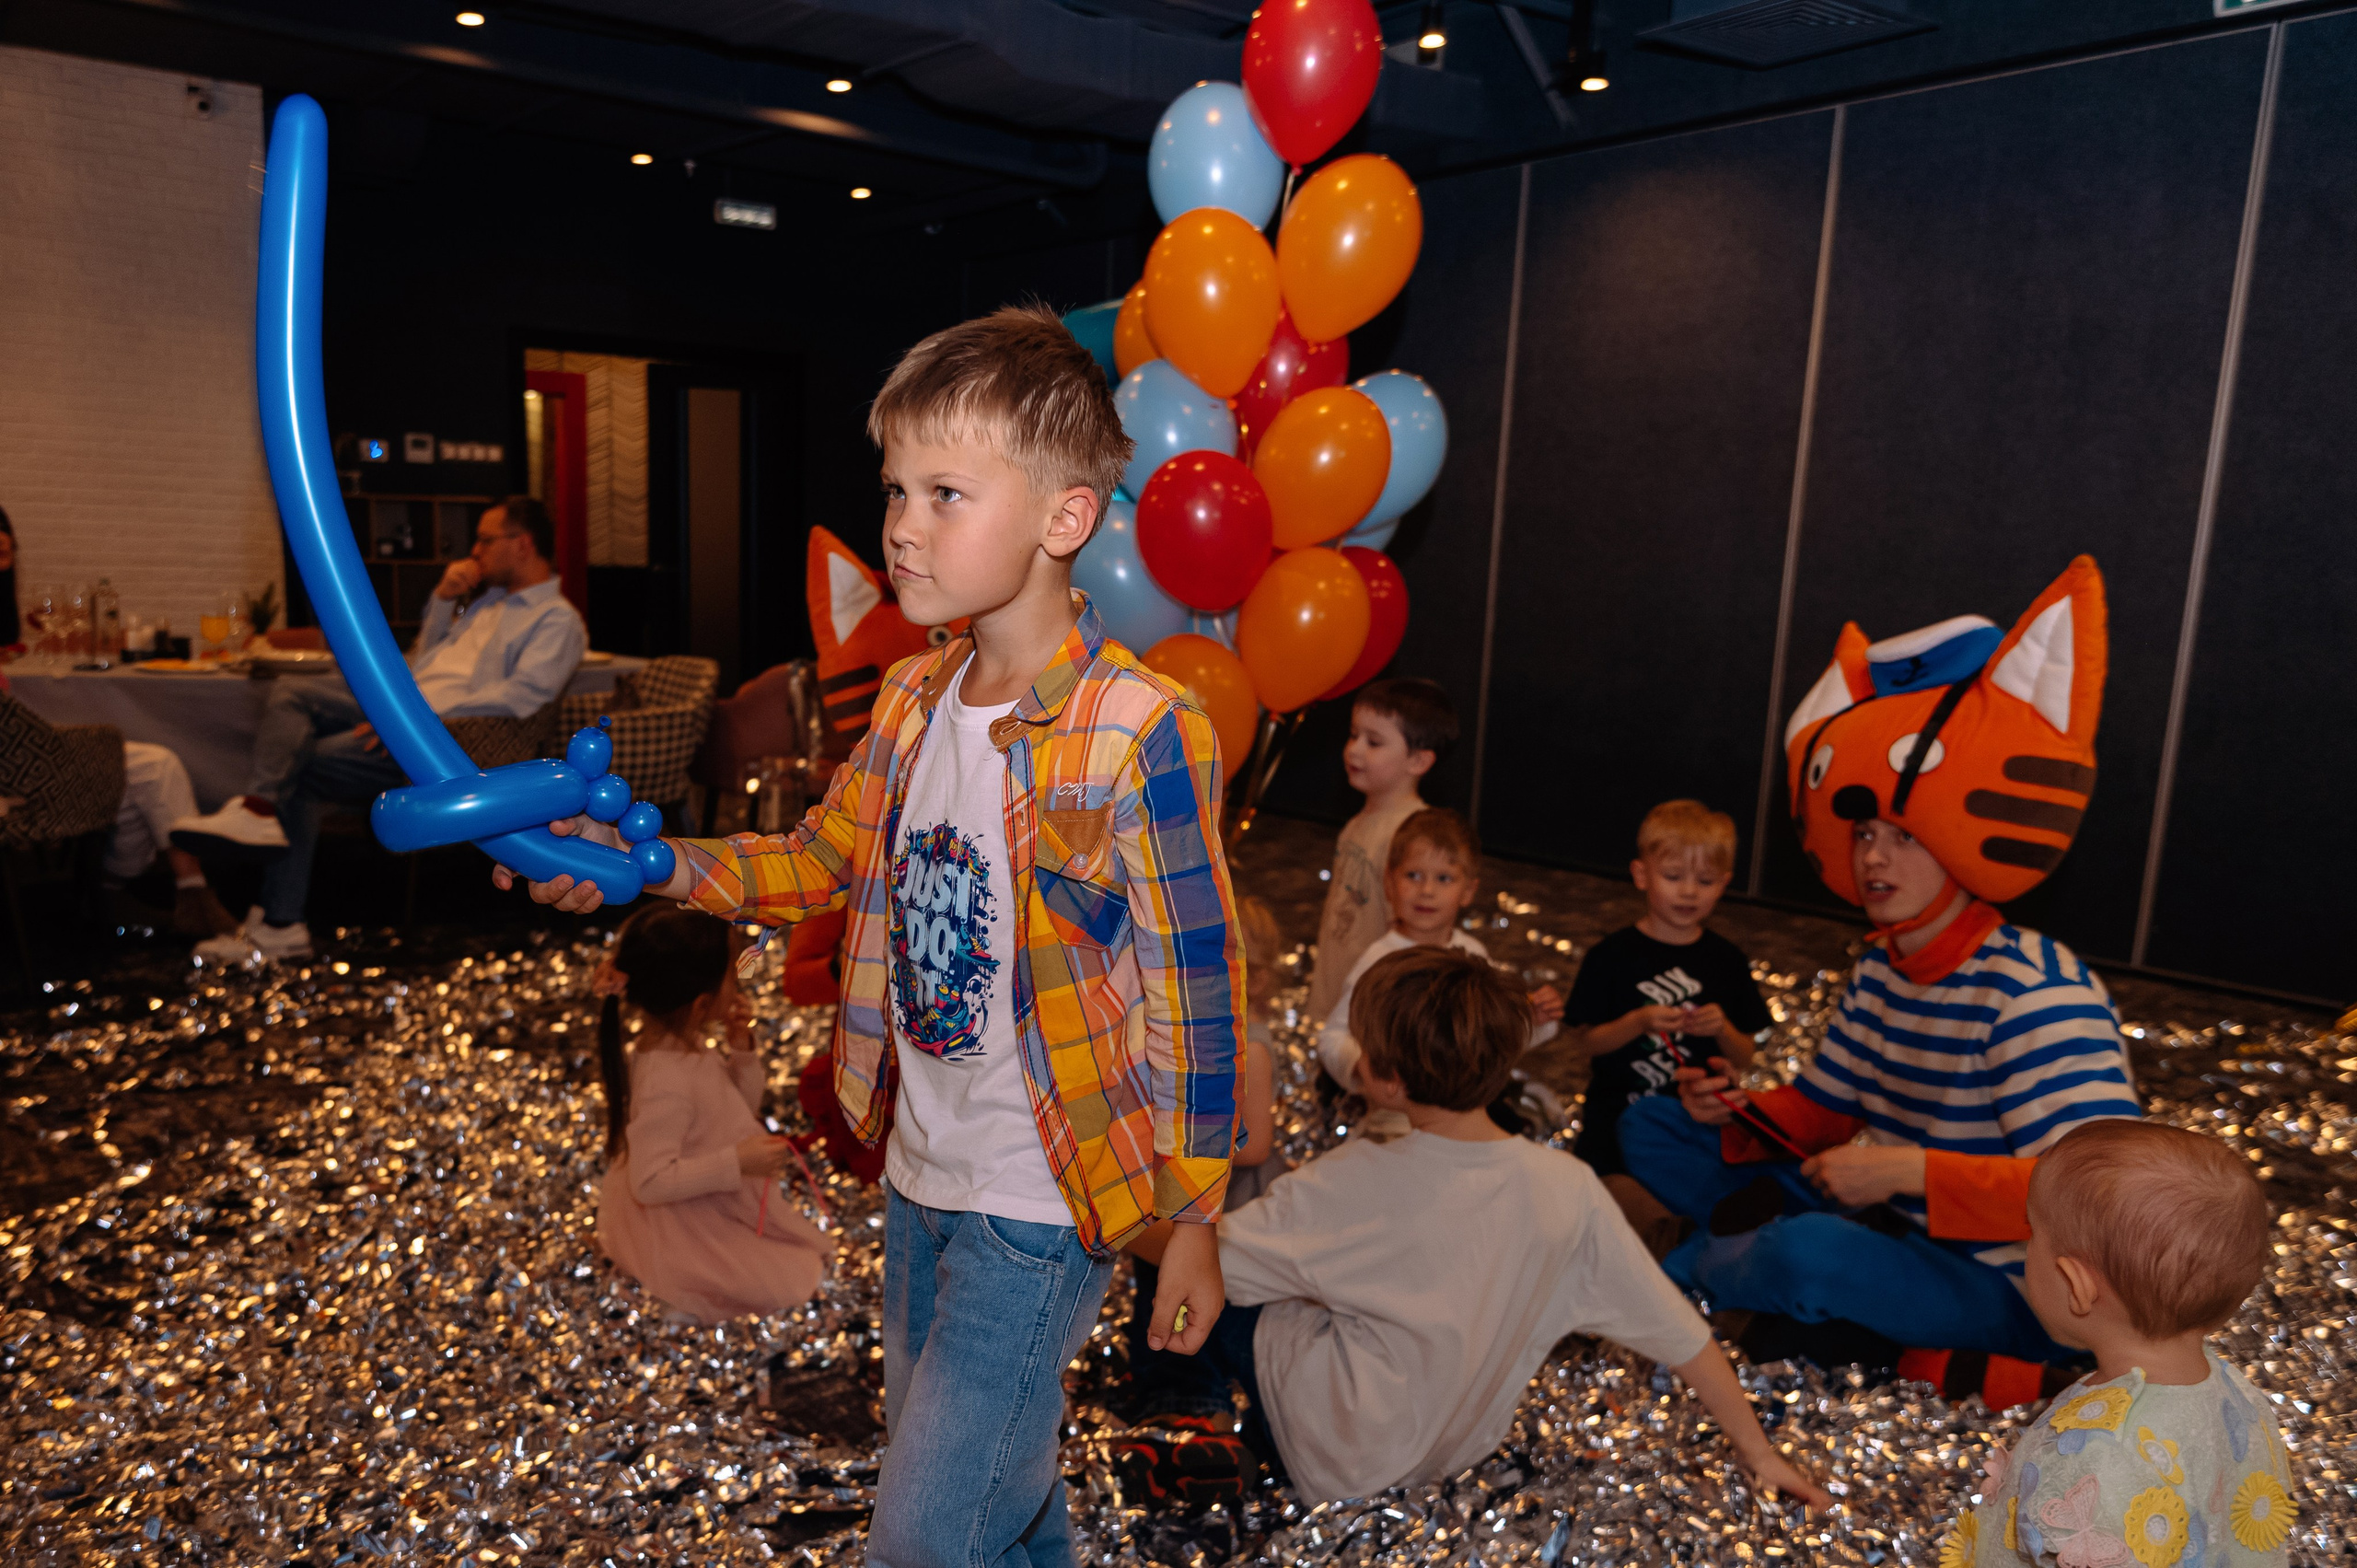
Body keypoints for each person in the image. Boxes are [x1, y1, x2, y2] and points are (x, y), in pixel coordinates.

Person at [501, 305, 1242, 1568]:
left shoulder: (1138, 728)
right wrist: (648, 864)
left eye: (947, 491)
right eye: (896, 486)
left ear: (1065, 518)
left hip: (1047, 1195)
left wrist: (1198, 1221)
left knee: (921, 1531)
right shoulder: (910, 698)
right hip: (919, 1171)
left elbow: (1195, 993)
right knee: (999, 1490)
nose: (901, 522)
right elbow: (816, 860)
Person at [1621, 558, 2139, 1404]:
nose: (1873, 856)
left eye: (1902, 834)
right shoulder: (1883, 964)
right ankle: (1757, 1250)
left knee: (1808, 1255)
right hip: (1887, 1219)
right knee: (1655, 1125)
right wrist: (1737, 1108)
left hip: (2013, 1289)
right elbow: (1824, 1111)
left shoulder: (2036, 992)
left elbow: (2096, 1198)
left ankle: (1688, 1268)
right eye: (1863, 833)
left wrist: (1906, 1172)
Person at [1120, 946, 1834, 1509]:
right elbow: (1684, 1336)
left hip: (1332, 1453)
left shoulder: (1348, 1185)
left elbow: (1204, 1260)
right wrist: (1761, 1452)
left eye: (1365, 1050)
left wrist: (1117, 1215)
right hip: (1449, 1454)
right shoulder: (1569, 1188)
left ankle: (1187, 1410)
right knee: (1292, 1273)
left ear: (1389, 1079)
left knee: (1181, 1243)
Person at [179, 496, 586, 962]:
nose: (474, 551)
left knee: (304, 764)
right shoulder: (486, 603)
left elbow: (521, 699)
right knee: (291, 691)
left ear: (523, 544)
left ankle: (278, 916)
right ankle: (260, 818)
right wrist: (441, 600)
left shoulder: (557, 620)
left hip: (444, 742)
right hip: (406, 711)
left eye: (485, 540)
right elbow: (418, 663)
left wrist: (413, 719)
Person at [1943, 1119, 2293, 1567]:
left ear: (2077, 1285)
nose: (2024, 1248)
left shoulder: (2098, 1457)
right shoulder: (2235, 1394)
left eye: (2032, 1233)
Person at [0, 508, 236, 935]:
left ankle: (181, 892)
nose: (1, 542)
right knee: (130, 766)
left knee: (155, 769)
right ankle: (126, 895)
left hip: (24, 759)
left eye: (5, 536)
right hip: (12, 770)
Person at [593, 904, 830, 1322]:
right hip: (683, 1215)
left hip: (707, 1195)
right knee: (795, 1279)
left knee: (805, 1266)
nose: (738, 982)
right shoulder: (666, 1081)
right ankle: (684, 1293)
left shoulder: (683, 1050)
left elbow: (739, 1106)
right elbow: (649, 1183)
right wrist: (737, 1162)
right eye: (730, 974)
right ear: (702, 1004)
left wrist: (741, 1049)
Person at [1562, 800, 1771, 1255]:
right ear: (1641, 876)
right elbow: (1590, 1045)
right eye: (1674, 877)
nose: (1689, 893)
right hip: (1614, 1123)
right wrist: (1636, 1022)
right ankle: (1669, 1239)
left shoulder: (1727, 961)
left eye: (1705, 881)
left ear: (1725, 885)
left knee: (1723, 1182)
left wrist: (1721, 1029)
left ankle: (1719, 1235)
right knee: (1609, 1193)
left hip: (1694, 1130)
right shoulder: (1611, 957)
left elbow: (1745, 1057)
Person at [1316, 807, 1561, 1140]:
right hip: (1395, 1121)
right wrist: (1365, 1068)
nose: (1427, 890)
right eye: (1413, 876)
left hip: (1461, 1120)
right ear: (1389, 882)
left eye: (1444, 878)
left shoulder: (1473, 956)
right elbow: (1332, 1037)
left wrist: (1531, 1021)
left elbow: (1488, 1042)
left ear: (1469, 891)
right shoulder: (1378, 959)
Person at [1305, 678, 1454, 1027]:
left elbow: (1408, 935)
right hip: (1336, 998)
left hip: (1368, 1013)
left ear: (1417, 761)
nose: (1354, 749)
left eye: (1373, 742)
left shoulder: (1413, 837)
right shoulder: (1361, 821)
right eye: (1354, 735)